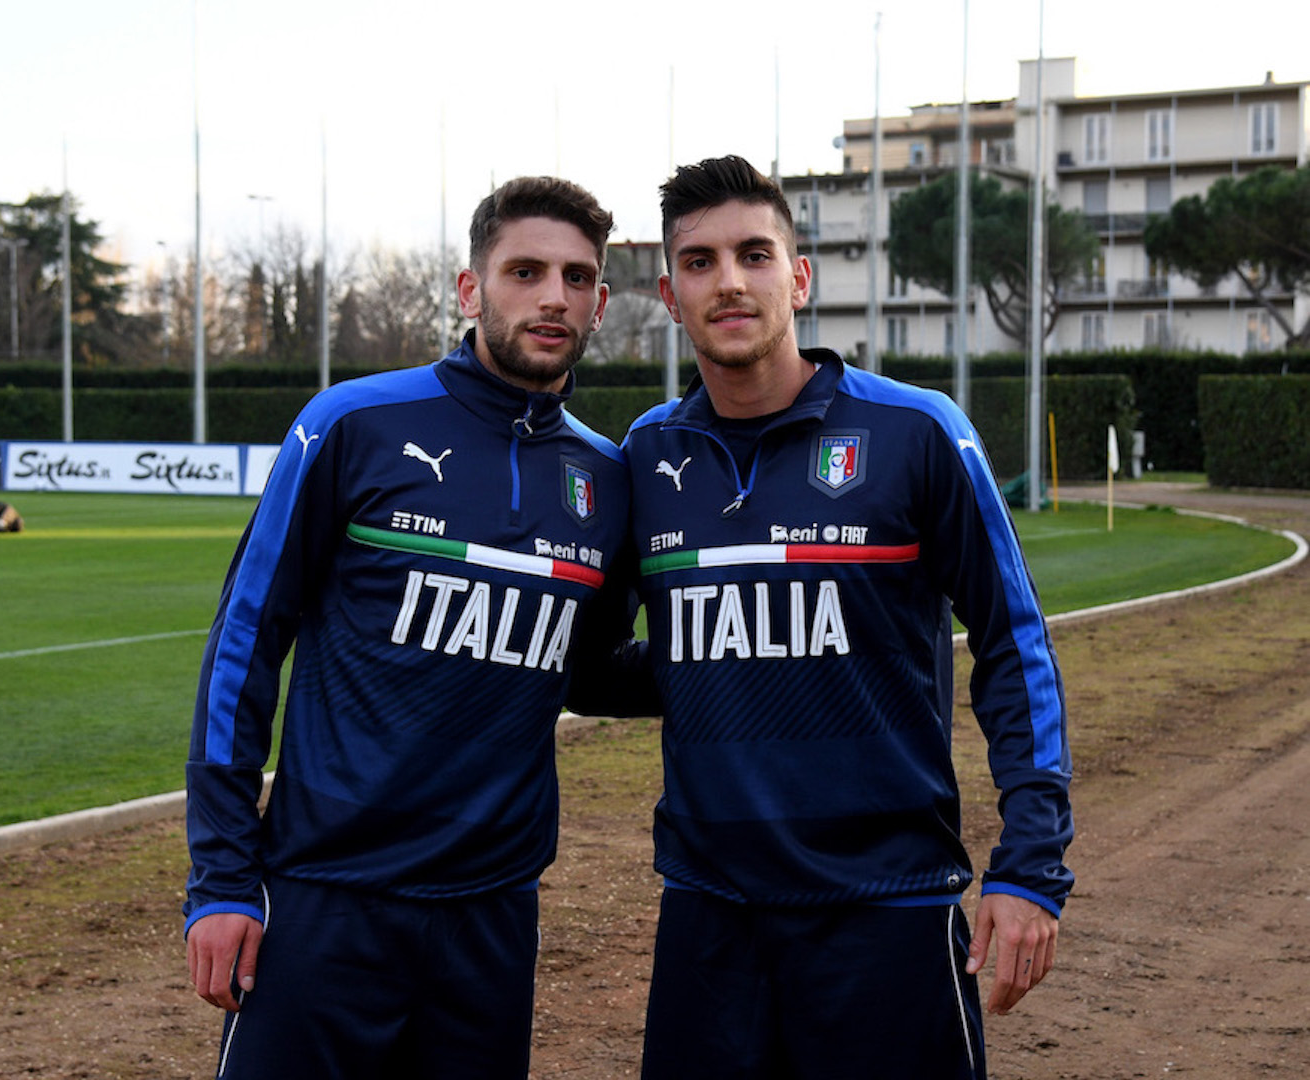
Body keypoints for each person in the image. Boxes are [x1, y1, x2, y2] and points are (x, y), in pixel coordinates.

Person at [621, 155, 1074, 1080]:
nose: (731, 281)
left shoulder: (916, 431)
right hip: (709, 913)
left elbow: (1011, 643)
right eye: (700, 262)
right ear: (670, 294)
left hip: (888, 906)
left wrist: (1030, 864)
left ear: (798, 276)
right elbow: (595, 658)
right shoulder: (646, 454)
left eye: (754, 253)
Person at [184, 176, 641, 1080]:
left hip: (492, 914)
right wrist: (222, 879)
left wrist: (747, 664)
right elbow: (244, 646)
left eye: (579, 278)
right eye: (525, 271)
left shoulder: (607, 478)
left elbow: (588, 675)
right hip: (326, 899)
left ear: (598, 306)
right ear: (470, 291)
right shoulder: (352, 424)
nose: (553, 296)